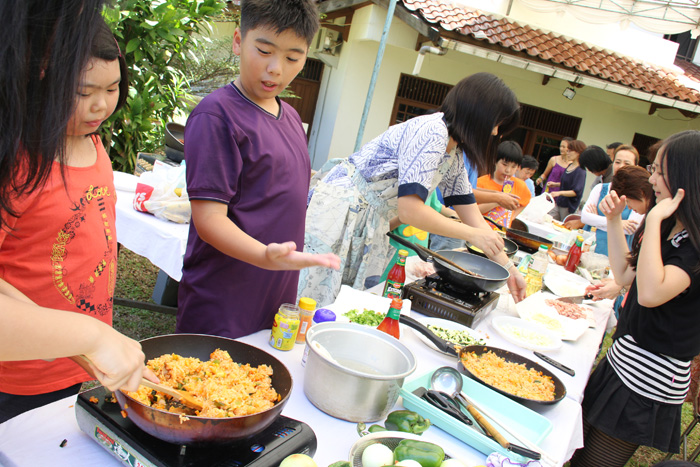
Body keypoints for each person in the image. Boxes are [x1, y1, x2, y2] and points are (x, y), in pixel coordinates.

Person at [0, 16, 150, 423]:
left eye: (113, 88)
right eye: (84, 92)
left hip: (78, 357)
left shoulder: (96, 146)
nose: (101, 104)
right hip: (17, 369)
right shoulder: (18, 162)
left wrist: (90, 337)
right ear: (42, 83)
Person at [175, 0, 340, 340]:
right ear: (238, 41)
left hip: (275, 297)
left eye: (292, 58)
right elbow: (209, 221)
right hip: (223, 299)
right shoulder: (217, 116)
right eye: (264, 51)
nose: (276, 68)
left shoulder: (291, 117)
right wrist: (264, 256)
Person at [301, 72, 527, 306]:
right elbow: (410, 211)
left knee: (341, 303)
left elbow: (472, 216)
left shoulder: (454, 152)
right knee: (310, 298)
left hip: (367, 220)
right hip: (340, 212)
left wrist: (510, 269)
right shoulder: (433, 130)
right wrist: (472, 235)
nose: (494, 133)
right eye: (496, 123)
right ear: (479, 113)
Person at [570, 130, 700, 467]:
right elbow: (626, 276)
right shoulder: (667, 222)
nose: (652, 178)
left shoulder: (694, 243)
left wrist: (653, 219)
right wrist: (614, 221)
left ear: (688, 176)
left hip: (649, 378)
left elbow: (653, 293)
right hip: (623, 358)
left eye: (660, 171)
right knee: (571, 451)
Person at [585, 165, 654, 314]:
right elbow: (628, 273)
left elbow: (646, 279)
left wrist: (621, 286)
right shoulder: (651, 220)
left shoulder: (656, 224)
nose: (653, 179)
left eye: (658, 171)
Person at [580, 145, 643, 256]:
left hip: (617, 255)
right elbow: (585, 217)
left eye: (627, 163)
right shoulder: (599, 189)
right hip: (588, 249)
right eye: (617, 162)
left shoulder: (638, 196)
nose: (621, 167)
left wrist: (596, 221)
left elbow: (630, 229)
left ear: (635, 167)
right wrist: (618, 223)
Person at [478, 141, 532, 228]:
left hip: (501, 233)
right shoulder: (481, 183)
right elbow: (473, 210)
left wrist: (513, 216)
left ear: (518, 167)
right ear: (495, 161)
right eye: (504, 164)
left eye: (513, 167)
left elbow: (525, 201)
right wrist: (498, 200)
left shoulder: (520, 186)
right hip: (480, 231)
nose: (508, 170)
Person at [550, 139, 586, 220]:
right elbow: (567, 184)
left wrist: (559, 193)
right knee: (548, 219)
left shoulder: (580, 171)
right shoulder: (570, 166)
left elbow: (576, 191)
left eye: (570, 151)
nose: (567, 153)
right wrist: (555, 184)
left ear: (578, 152)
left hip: (568, 207)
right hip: (559, 203)